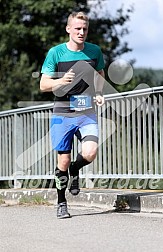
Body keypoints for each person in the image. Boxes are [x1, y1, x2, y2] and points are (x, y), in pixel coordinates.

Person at [40, 11, 105, 219]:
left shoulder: (94, 52)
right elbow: (43, 84)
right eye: (77, 28)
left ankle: (76, 169)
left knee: (90, 152)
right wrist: (60, 81)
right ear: (68, 29)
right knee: (63, 161)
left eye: (85, 29)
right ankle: (61, 202)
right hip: (63, 113)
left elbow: (100, 74)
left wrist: (99, 92)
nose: (81, 32)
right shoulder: (56, 53)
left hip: (86, 112)